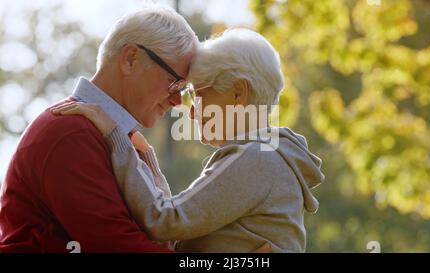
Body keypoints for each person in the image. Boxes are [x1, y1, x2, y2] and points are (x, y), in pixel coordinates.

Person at [52, 28, 325, 253]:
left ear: (238, 93)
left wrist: (115, 137)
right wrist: (148, 164)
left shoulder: (256, 158)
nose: (191, 110)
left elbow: (163, 221)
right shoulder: (266, 154)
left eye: (198, 95)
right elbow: (183, 230)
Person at [0, 7, 197, 252]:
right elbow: (117, 245)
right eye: (175, 83)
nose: (177, 101)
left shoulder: (110, 137)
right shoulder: (71, 132)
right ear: (130, 59)